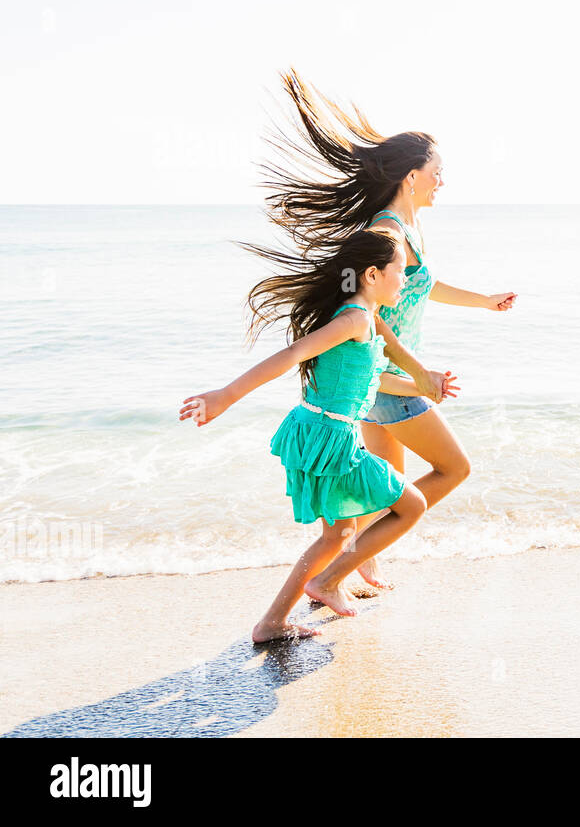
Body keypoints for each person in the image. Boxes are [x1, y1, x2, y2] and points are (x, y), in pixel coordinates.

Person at [256, 68, 516, 590]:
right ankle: (333, 575)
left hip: (381, 378)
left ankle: (351, 567)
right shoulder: (387, 233)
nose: (443, 180)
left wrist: (484, 303)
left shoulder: (406, 229)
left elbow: (426, 285)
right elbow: (367, 309)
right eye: (437, 170)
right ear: (411, 176)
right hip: (389, 380)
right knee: (453, 470)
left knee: (383, 491)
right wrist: (418, 374)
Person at [179, 227, 459, 643]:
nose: (405, 278)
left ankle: (274, 621)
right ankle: (314, 592)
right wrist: (225, 396)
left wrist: (424, 385)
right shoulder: (354, 318)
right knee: (411, 506)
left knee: (339, 533)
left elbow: (375, 377)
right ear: (371, 274)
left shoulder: (363, 318)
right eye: (400, 270)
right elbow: (292, 354)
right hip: (331, 438)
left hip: (320, 431)